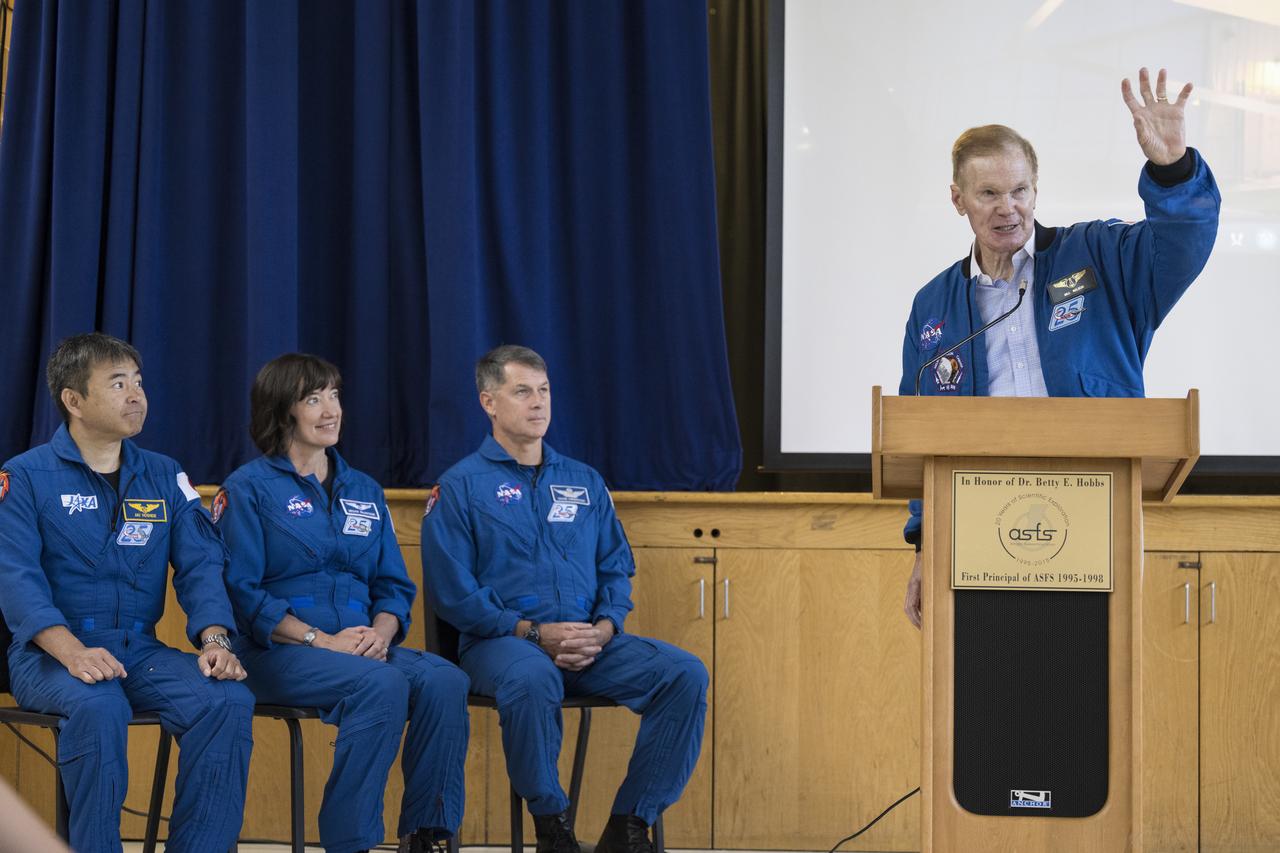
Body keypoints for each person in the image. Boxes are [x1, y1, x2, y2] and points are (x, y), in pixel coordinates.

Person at [900, 67, 1221, 626]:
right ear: (958, 199)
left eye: (1019, 190)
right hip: (975, 526)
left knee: (1086, 671)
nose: (1008, 207)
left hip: (1094, 509)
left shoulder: (1098, 256)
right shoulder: (934, 307)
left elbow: (1182, 244)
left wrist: (1173, 170)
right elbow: (916, 436)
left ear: (1035, 190)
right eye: (989, 193)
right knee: (986, 673)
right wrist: (925, 544)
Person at [421, 345, 708, 853]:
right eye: (522, 391)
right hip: (502, 643)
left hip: (587, 642)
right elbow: (452, 592)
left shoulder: (583, 480)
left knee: (684, 674)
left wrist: (604, 628)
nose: (538, 403)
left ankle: (629, 826)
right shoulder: (460, 486)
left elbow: (615, 567)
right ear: (489, 402)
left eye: (544, 390)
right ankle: (552, 826)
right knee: (532, 678)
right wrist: (533, 633)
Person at [0, 333, 253, 853]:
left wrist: (215, 640)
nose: (136, 395)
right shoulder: (23, 477)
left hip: (138, 650)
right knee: (100, 706)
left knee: (227, 699)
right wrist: (72, 652)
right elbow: (15, 577)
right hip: (49, 655)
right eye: (118, 384)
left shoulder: (164, 474)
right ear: (73, 400)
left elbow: (201, 566)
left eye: (138, 382)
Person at [215, 353, 469, 853]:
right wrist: (321, 640)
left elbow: (394, 586)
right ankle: (349, 842)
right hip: (275, 650)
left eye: (334, 395)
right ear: (282, 410)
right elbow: (241, 593)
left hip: (360, 645)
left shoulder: (364, 489)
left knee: (446, 680)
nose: (331, 409)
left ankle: (426, 834)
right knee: (381, 683)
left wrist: (380, 634)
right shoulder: (247, 489)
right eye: (313, 399)